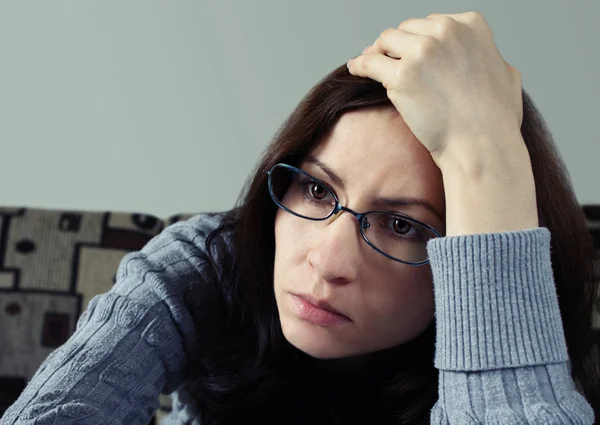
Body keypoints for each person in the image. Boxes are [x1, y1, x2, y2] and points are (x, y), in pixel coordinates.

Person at [1, 11, 599, 425]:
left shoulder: (527, 321)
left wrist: (485, 155)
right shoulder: (205, 266)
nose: (327, 261)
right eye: (315, 188)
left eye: (402, 224)